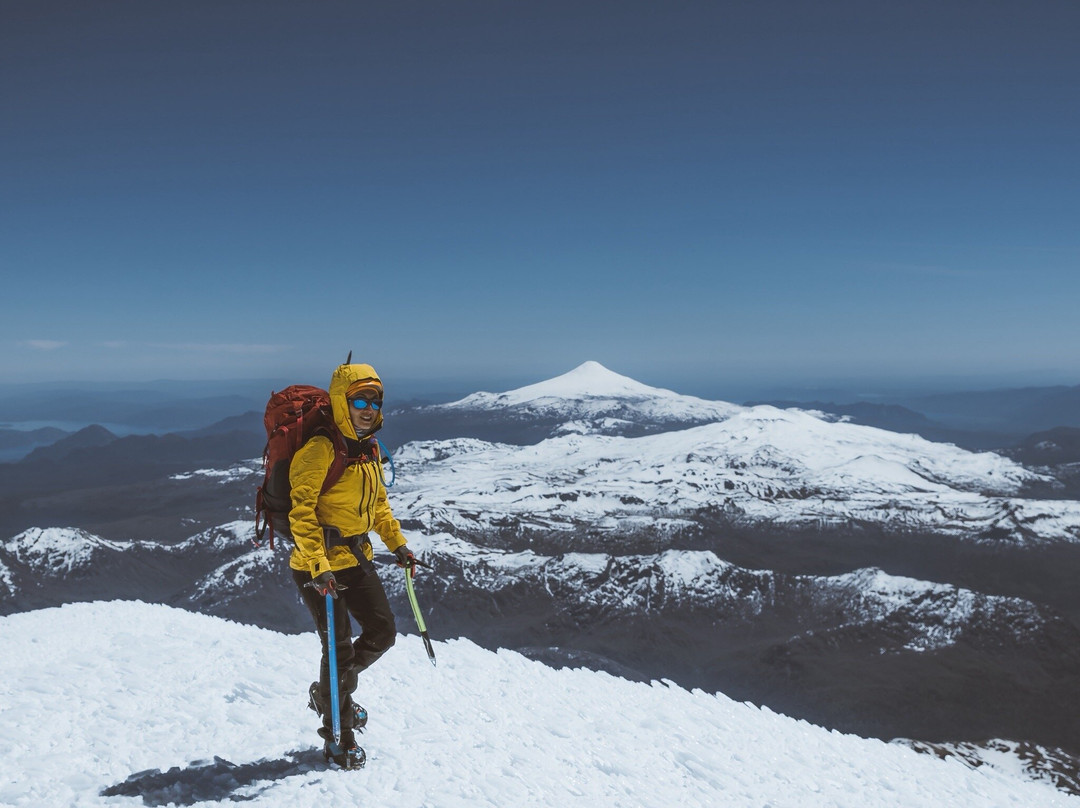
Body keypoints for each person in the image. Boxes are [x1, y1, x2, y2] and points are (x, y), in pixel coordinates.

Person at [288, 360, 415, 768]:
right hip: (317, 566)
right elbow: (300, 513)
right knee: (338, 647)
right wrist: (318, 565)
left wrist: (398, 544)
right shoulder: (320, 449)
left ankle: (332, 693)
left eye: (375, 401)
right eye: (360, 400)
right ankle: (337, 737)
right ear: (343, 402)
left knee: (382, 631)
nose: (368, 409)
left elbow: (378, 507)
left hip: (355, 557)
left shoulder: (369, 449)